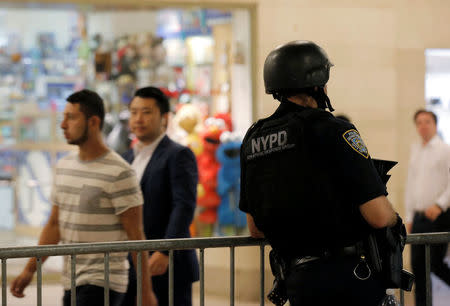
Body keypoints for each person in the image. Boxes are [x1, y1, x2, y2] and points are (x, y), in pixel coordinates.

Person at [239, 40, 400, 306]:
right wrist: (394, 218)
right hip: (349, 278)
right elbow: (379, 216)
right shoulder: (335, 130)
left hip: (298, 282)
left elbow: (255, 228)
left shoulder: (254, 138)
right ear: (318, 83)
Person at [10, 89, 157, 306]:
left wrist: (145, 293)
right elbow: (54, 226)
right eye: (63, 117)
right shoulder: (63, 166)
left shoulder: (119, 172)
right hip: (71, 280)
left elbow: (136, 237)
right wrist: (30, 269)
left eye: (71, 117)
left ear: (93, 122)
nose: (63, 125)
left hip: (104, 281)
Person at [121, 87, 199, 306]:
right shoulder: (126, 158)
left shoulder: (178, 154)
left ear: (164, 117)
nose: (138, 119)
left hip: (166, 264)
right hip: (130, 264)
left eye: (146, 112)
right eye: (134, 112)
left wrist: (165, 251)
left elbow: (183, 206)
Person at [405, 109, 450, 306]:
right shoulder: (416, 149)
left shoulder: (445, 149)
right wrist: (409, 216)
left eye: (427, 121)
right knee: (418, 267)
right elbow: (410, 185)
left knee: (436, 264)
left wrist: (440, 205)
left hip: (438, 216)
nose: (423, 125)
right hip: (419, 217)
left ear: (435, 124)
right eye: (419, 122)